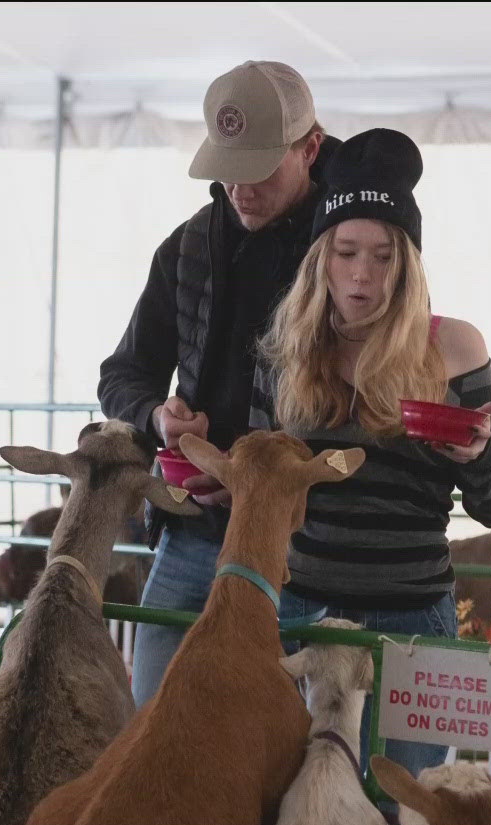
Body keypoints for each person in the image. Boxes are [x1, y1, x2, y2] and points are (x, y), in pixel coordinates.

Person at [247, 127, 491, 825]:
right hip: (303, 612)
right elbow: (268, 479)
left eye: (383, 258)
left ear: (408, 265)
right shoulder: (287, 350)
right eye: (348, 254)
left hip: (413, 617)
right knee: (289, 802)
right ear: (321, 256)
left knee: (406, 814)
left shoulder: (454, 349)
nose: (362, 277)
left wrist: (475, 455)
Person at [96, 60, 336, 710]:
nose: (241, 187)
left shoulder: (346, 255)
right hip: (191, 530)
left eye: (261, 166)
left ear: (310, 148)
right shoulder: (185, 249)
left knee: (280, 751)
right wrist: (157, 418)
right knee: (153, 726)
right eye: (229, 165)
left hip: (300, 552)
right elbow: (123, 374)